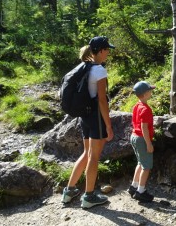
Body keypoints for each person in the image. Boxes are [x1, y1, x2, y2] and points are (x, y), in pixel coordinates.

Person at [61, 36, 115, 209]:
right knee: (94, 156)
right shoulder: (99, 70)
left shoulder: (83, 66)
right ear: (100, 51)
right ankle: (89, 196)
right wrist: (108, 124)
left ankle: (69, 191)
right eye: (107, 50)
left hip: (84, 116)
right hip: (96, 117)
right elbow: (101, 100)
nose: (108, 53)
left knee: (86, 153)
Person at [127, 80, 156, 202]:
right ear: (144, 94)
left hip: (134, 136)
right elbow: (144, 127)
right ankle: (141, 191)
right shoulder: (146, 109)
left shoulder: (137, 106)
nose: (151, 92)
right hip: (142, 139)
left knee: (140, 162)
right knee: (146, 166)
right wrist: (149, 144)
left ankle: (133, 186)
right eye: (150, 91)